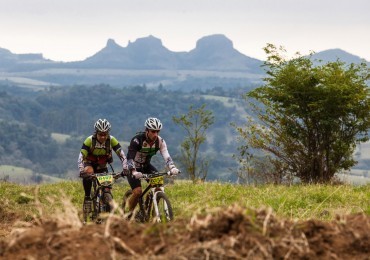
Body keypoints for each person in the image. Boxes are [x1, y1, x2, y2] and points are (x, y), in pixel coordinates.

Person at [126, 117, 180, 214]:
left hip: (146, 166)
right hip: (132, 167)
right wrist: (133, 171)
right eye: (153, 131)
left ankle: (147, 209)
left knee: (158, 187)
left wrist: (172, 167)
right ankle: (130, 213)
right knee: (138, 192)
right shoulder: (137, 140)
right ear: (147, 130)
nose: (155, 134)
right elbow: (129, 158)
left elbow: (166, 156)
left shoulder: (160, 141)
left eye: (157, 132)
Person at [78, 118, 127, 209]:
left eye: (105, 134)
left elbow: (122, 155)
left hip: (102, 165)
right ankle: (88, 197)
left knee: (106, 189)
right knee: (88, 173)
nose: (103, 137)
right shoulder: (89, 140)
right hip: (90, 163)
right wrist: (81, 170)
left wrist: (125, 168)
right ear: (96, 132)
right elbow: (81, 156)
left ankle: (106, 202)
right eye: (100, 134)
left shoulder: (112, 140)